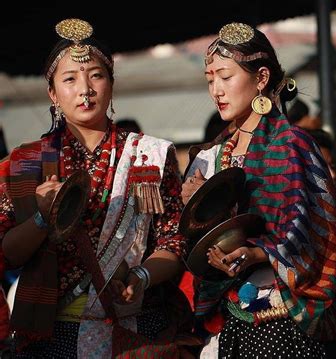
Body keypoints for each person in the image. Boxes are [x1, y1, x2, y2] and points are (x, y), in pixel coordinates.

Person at [0, 18, 193, 358]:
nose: (85, 89)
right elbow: (7, 252)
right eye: (70, 79)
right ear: (53, 93)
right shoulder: (25, 162)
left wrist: (142, 276)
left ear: (111, 84)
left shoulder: (149, 155)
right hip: (53, 335)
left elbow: (173, 241)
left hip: (134, 329)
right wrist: (43, 219)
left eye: (96, 75)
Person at [181, 22, 336, 358]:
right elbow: (190, 245)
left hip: (285, 322)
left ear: (262, 78)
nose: (216, 91)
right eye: (210, 79)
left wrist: (259, 252)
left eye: (225, 77)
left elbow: (310, 232)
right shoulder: (211, 156)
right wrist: (197, 208)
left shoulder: (293, 146)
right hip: (231, 320)